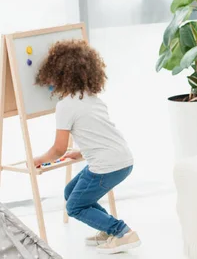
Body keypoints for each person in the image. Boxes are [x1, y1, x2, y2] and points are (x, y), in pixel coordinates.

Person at [33, 40, 141, 255]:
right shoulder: (92, 98)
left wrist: (37, 160)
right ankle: (107, 228)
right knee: (71, 191)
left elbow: (58, 149)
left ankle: (122, 232)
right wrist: (82, 151)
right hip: (122, 159)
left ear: (60, 75)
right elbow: (100, 134)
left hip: (106, 165)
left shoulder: (65, 105)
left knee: (75, 206)